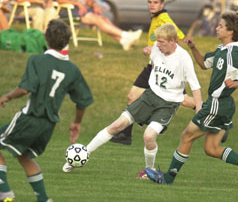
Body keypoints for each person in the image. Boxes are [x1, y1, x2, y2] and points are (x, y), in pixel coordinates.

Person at [63, 23, 203, 180]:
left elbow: (196, 87)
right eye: (157, 41)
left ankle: (149, 170)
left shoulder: (184, 59)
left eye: (161, 41)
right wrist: (150, 49)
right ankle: (82, 155)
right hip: (149, 96)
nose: (157, 44)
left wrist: (199, 111)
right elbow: (155, 55)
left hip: (168, 105)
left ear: (173, 41)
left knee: (149, 136)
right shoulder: (157, 49)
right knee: (116, 125)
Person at [145, 12, 238, 190]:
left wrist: (236, 83)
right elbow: (203, 64)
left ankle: (168, 178)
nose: (217, 28)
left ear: (230, 31)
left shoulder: (234, 53)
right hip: (223, 105)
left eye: (221, 26)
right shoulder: (221, 50)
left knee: (187, 136)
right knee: (211, 149)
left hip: (217, 104)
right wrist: (193, 48)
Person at [0, 19, 93, 202]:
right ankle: (43, 199)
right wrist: (76, 123)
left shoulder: (37, 60)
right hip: (48, 124)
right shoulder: (72, 69)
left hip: (30, 117)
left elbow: (25, 89)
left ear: (46, 38)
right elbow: (82, 100)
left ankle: (5, 194)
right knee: (24, 156)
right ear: (67, 41)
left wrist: (7, 96)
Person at [110, 0, 196, 145]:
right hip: (152, 67)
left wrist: (159, 51)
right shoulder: (156, 17)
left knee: (183, 100)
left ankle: (211, 113)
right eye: (149, 2)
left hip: (162, 69)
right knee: (132, 96)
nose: (152, 5)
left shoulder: (163, 18)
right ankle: (125, 136)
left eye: (155, 2)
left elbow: (178, 38)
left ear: (162, 4)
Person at [52, 0, 142, 51]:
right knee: (97, 19)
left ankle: (123, 41)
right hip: (68, 8)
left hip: (82, 7)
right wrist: (78, 4)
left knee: (104, 19)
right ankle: (125, 35)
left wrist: (94, 5)